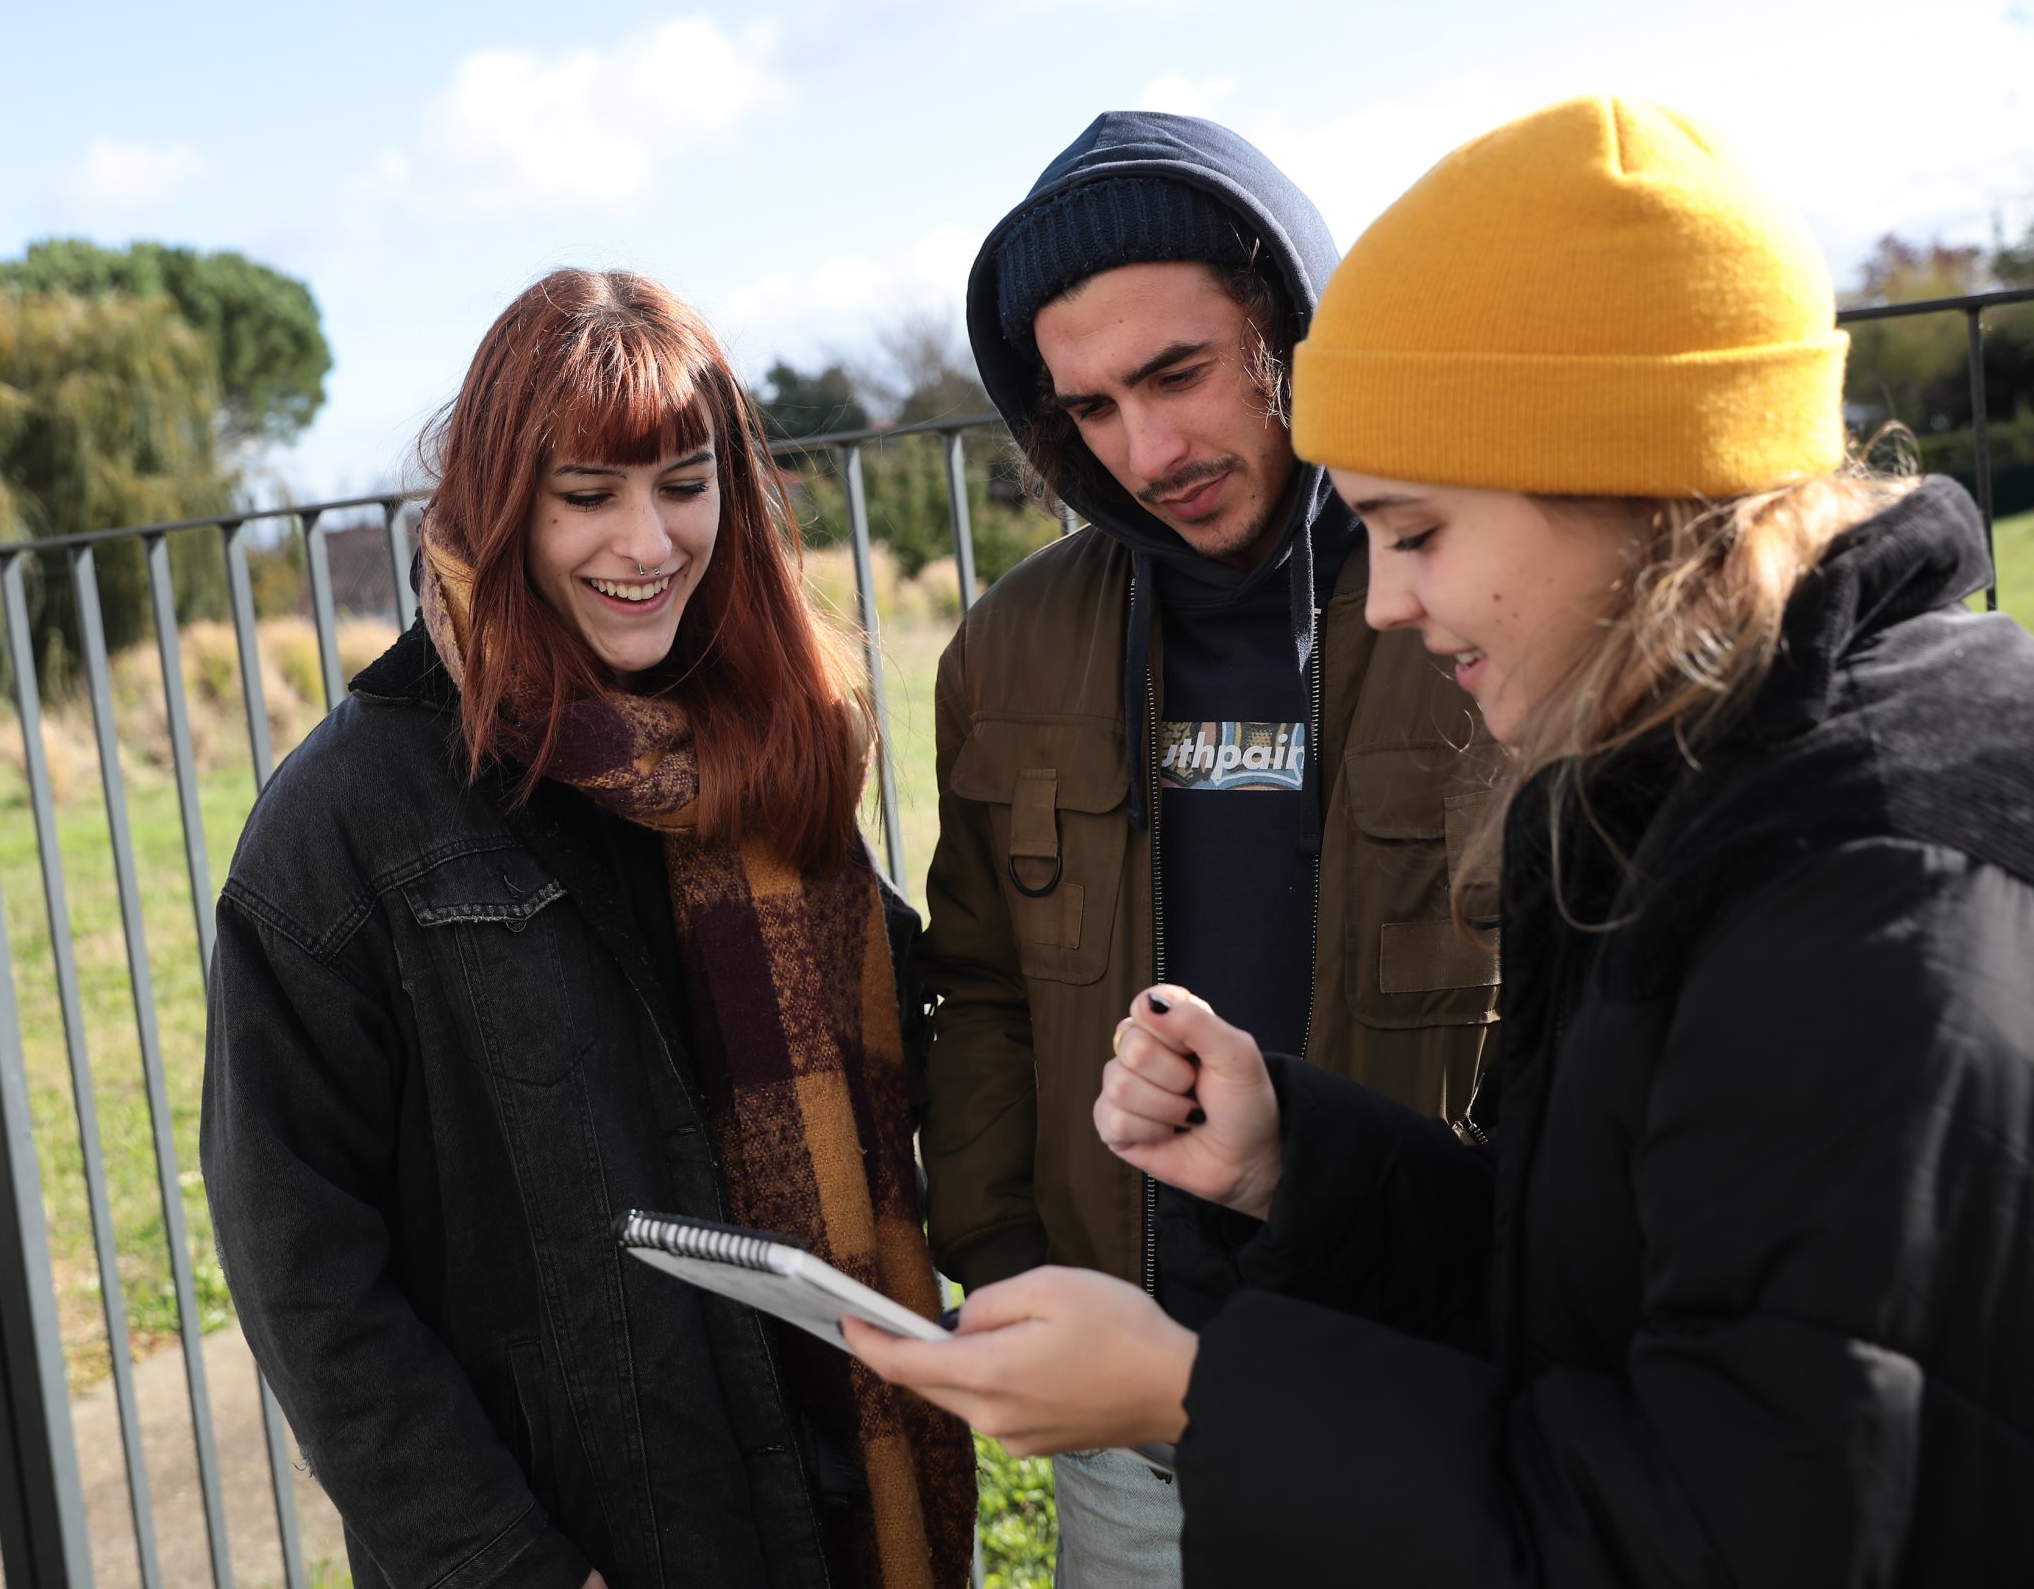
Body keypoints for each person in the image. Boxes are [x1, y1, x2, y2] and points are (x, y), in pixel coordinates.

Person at [852, 95, 2034, 1584]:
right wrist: (1306, 1159)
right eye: (1089, 408)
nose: (1393, 603)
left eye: (1415, 535)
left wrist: (1204, 1393)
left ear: (1621, 471)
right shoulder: (1696, 771)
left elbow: (1736, 1523)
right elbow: (1593, 1275)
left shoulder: (1867, 877)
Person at [202, 268, 973, 1589]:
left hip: (849, 1503)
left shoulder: (769, 746)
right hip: (595, 1544)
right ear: (502, 504)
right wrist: (507, 1567)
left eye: (683, 483)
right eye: (587, 496)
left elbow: (919, 1041)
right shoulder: (346, 822)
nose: (647, 542)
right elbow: (304, 1276)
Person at [922, 110, 1500, 1577]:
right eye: (1095, 408)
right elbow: (984, 987)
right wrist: (1007, 1261)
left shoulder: (1476, 589)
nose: (1150, 449)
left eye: (1178, 373)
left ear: (1290, 330)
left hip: (1435, 1385)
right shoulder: (1012, 646)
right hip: (1134, 1426)